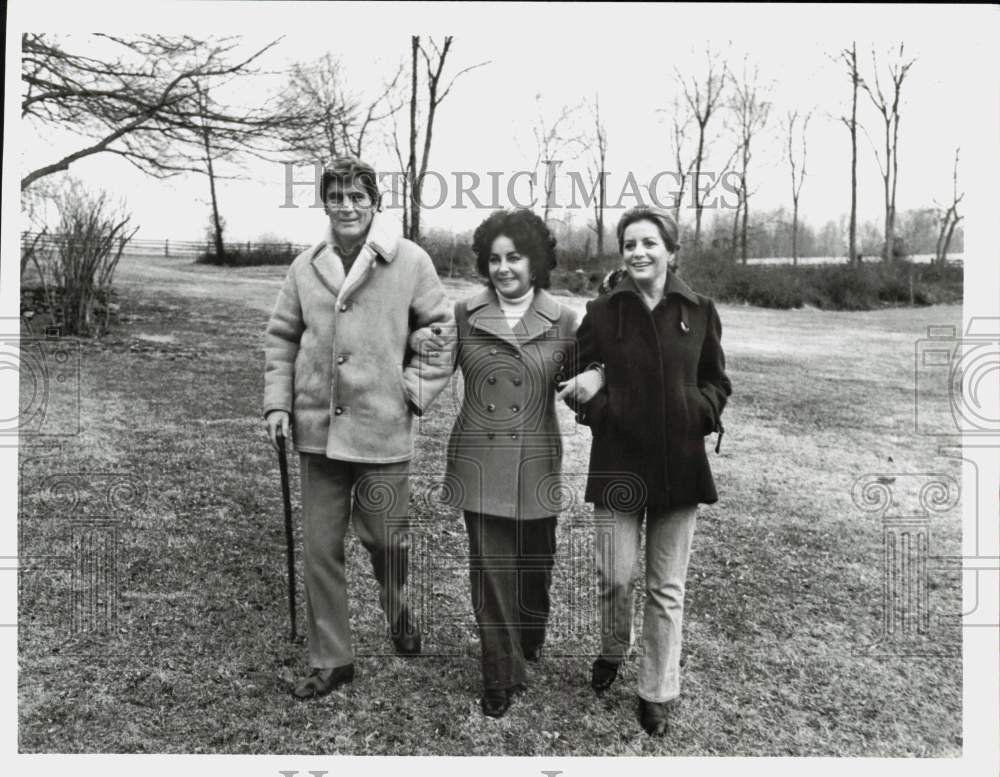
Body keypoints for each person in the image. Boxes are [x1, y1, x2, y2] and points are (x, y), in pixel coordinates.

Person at [263, 155, 454, 700]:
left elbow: (440, 330)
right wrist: (278, 405)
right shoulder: (306, 266)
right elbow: (281, 339)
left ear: (375, 203)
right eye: (336, 196)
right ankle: (333, 659)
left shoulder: (410, 261)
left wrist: (411, 393)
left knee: (385, 542)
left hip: (381, 432)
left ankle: (397, 607)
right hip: (317, 433)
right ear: (324, 202)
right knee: (321, 547)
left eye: (358, 197)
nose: (347, 206)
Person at [413, 209, 602, 718]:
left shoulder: (565, 319)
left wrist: (596, 382)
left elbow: (587, 381)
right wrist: (409, 356)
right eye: (494, 259)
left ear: (535, 261)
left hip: (537, 460)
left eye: (514, 257)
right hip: (479, 457)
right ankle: (499, 673)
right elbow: (428, 370)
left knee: (535, 566)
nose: (503, 268)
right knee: (489, 570)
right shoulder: (463, 313)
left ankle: (530, 636)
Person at [557, 206, 732, 736]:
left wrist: (697, 410)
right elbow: (577, 376)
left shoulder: (698, 309)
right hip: (619, 462)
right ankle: (614, 647)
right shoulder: (603, 311)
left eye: (650, 243)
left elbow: (716, 381)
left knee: (666, 588)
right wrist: (602, 411)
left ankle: (657, 689)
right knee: (616, 575)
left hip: (680, 464)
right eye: (630, 243)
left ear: (670, 251)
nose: (639, 252)